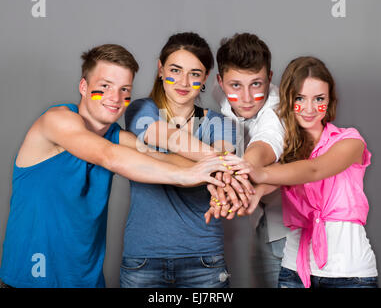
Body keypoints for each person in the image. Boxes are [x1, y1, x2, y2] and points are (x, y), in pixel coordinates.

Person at [0, 44, 236, 288]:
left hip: (87, 283)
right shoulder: (56, 120)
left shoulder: (116, 135)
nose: (115, 98)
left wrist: (217, 174)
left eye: (124, 89)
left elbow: (158, 157)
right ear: (83, 87)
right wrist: (186, 175)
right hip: (29, 281)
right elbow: (108, 156)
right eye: (104, 87)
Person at [228, 56, 378, 288]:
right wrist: (253, 192)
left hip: (350, 275)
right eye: (300, 98)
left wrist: (260, 173)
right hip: (295, 274)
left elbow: (313, 169)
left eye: (319, 99)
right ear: (289, 100)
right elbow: (280, 174)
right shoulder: (289, 154)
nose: (309, 109)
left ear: (329, 101)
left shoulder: (350, 141)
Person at [120, 32, 249, 288]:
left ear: (205, 78)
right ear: (160, 69)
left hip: (204, 258)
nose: (183, 81)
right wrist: (219, 166)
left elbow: (221, 162)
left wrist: (219, 168)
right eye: (175, 70)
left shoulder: (221, 124)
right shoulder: (142, 111)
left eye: (195, 74)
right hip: (143, 258)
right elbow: (168, 137)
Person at [205, 33, 288, 287]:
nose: (247, 98)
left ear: (270, 79)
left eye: (256, 84)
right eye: (235, 85)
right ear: (220, 81)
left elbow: (265, 142)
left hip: (287, 229)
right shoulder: (220, 94)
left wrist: (238, 171)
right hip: (252, 221)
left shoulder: (277, 108)